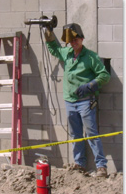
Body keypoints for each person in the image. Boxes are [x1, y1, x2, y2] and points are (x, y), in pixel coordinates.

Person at [45, 23, 110, 177]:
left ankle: (101, 166)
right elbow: (54, 49)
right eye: (72, 41)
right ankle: (80, 163)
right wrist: (48, 32)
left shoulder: (90, 57)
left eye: (77, 39)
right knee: (76, 134)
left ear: (82, 39)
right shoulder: (67, 53)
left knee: (91, 133)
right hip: (70, 101)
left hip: (85, 101)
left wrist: (90, 85)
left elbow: (105, 75)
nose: (74, 43)